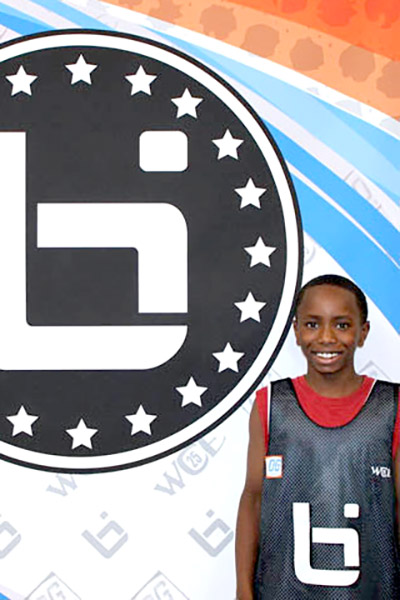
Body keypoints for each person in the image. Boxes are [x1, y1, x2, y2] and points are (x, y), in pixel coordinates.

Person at [235, 274, 400, 599]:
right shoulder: (271, 404)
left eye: (342, 325)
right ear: (296, 330)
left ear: (363, 332)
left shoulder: (391, 407)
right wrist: (243, 588)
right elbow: (253, 499)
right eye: (312, 324)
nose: (326, 337)